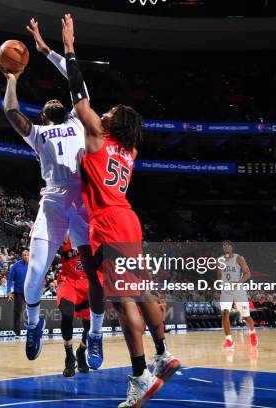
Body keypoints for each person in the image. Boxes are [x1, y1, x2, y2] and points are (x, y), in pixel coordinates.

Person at [60, 14, 180, 406]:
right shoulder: (129, 149)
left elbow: (79, 99)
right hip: (128, 217)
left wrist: (70, 49)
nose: (104, 112)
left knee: (124, 300)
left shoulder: (97, 135)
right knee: (142, 290)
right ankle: (162, 353)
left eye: (109, 112)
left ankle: (139, 375)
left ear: (112, 123)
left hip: (109, 221)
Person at [1, 18, 103, 364]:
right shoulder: (38, 134)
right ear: (44, 114)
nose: (56, 99)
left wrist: (48, 51)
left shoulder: (79, 119)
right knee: (34, 273)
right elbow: (10, 110)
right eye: (49, 102)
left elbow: (76, 81)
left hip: (84, 206)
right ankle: (33, 323)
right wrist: (13, 79)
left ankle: (95, 335)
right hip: (54, 206)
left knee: (94, 275)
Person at [57, 234, 93, 377]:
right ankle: (69, 356)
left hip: (89, 282)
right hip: (69, 281)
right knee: (66, 313)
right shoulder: (67, 234)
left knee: (89, 326)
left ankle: (81, 352)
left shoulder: (94, 234)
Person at [218, 241, 258, 349]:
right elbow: (219, 276)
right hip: (226, 290)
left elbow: (248, 273)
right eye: (224, 245)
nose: (225, 247)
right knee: (225, 313)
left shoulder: (239, 258)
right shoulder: (220, 260)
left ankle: (252, 332)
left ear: (232, 247)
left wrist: (238, 283)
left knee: (246, 316)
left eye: (227, 245)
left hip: (238, 290)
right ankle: (229, 341)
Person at [7, 249, 29, 335]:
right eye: (24, 255)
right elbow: (10, 280)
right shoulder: (15, 266)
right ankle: (16, 331)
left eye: (27, 255)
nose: (26, 256)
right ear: (21, 256)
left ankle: (32, 329)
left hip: (29, 292)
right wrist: (9, 291)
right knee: (17, 311)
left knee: (32, 311)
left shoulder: (32, 265)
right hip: (18, 292)